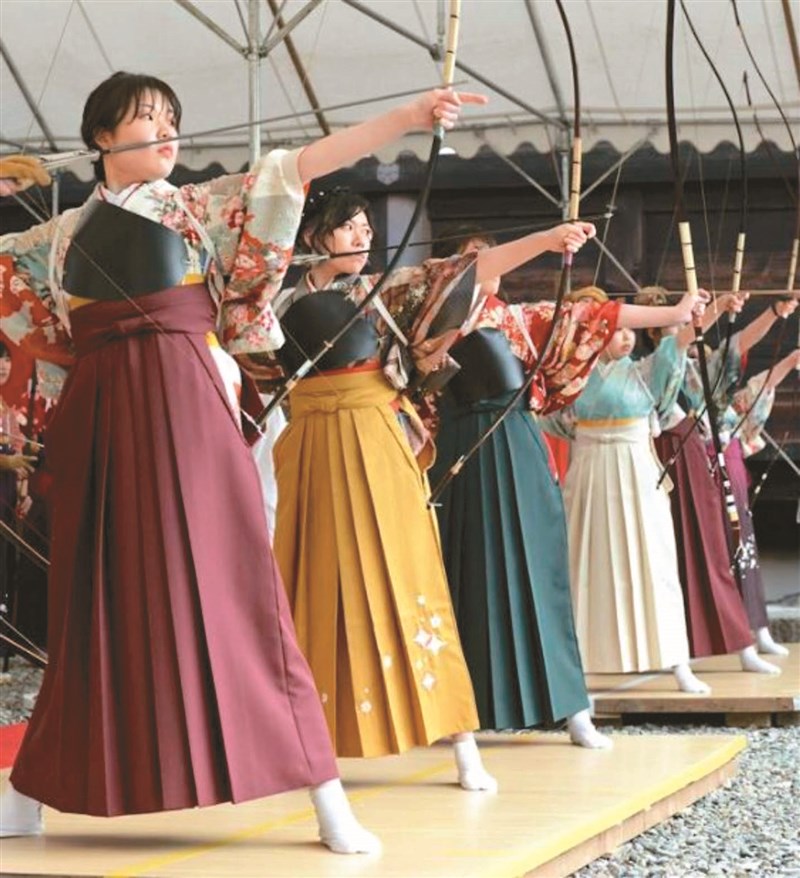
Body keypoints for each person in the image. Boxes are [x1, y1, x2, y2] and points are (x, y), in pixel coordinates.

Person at [0, 70, 485, 852]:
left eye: (171, 118)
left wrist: (406, 114)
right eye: (146, 119)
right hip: (99, 413)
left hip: (184, 400)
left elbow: (299, 167)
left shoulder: (199, 207)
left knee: (235, 585)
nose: (166, 132)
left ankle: (326, 800)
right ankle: (28, 796)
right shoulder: (53, 240)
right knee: (91, 597)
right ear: (100, 138)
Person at [427, 241, 708, 747]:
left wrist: (674, 313)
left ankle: (572, 709)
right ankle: (457, 712)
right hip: (456, 449)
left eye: (492, 257)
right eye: (471, 259)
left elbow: (594, 314)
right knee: (462, 572)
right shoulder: (424, 319)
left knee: (542, 573)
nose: (488, 266)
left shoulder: (519, 318)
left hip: (514, 439)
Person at [544, 288, 712, 693]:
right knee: (586, 563)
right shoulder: (572, 374)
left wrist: (701, 311)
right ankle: (578, 668)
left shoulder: (642, 370)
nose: (625, 337)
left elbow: (677, 344)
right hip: (589, 469)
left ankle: (677, 662)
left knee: (655, 563)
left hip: (636, 468)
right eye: (615, 330)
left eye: (628, 330)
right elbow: (551, 415)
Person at [635, 287, 781, 673]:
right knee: (674, 553)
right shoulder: (655, 360)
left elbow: (735, 346)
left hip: (692, 454)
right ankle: (675, 648)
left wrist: (771, 312)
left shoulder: (689, 361)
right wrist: (714, 307)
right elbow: (683, 337)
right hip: (664, 455)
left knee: (714, 549)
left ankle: (742, 642)